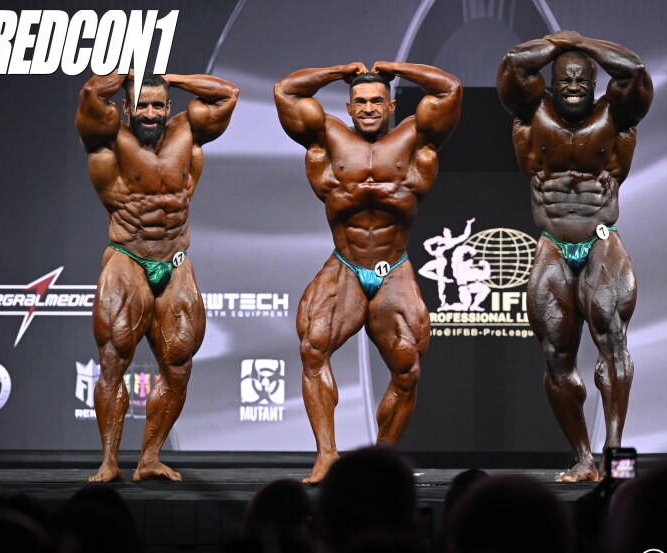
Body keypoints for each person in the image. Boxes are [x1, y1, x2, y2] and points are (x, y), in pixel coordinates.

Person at [274, 61, 461, 482]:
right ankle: (326, 454)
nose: (369, 108)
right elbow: (286, 91)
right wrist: (338, 71)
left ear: (391, 105)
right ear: (349, 106)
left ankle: (382, 461)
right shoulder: (327, 136)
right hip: (345, 264)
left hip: (394, 267)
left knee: (407, 367)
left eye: (377, 100)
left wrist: (396, 68)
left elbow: (450, 89)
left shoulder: (416, 138)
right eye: (360, 101)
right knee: (313, 347)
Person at [497, 31, 653, 482]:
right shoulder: (531, 114)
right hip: (552, 243)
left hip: (601, 239)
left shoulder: (616, 117)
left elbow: (635, 72)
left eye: (582, 79)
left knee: (614, 344)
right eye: (564, 79)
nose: (573, 86)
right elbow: (513, 64)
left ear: (595, 82)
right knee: (555, 356)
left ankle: (617, 461)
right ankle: (583, 458)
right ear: (550, 82)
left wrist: (581, 42)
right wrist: (557, 41)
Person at [76, 70, 238, 482]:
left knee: (179, 365)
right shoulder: (109, 139)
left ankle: (149, 458)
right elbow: (91, 93)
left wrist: (172, 78)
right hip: (128, 257)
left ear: (168, 107)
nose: (149, 113)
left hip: (176, 260)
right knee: (113, 360)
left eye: (156, 105)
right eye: (141, 105)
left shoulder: (188, 132)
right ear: (126, 108)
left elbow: (228, 95)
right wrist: (127, 75)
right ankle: (109, 462)